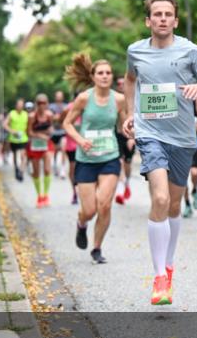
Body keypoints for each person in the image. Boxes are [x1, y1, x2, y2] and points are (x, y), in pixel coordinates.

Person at [122, 0, 197, 305]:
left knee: (175, 205)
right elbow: (128, 80)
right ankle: (159, 278)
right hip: (150, 134)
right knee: (161, 198)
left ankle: (168, 264)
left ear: (175, 21)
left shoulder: (190, 51)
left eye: (168, 14)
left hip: (182, 138)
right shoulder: (135, 51)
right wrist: (129, 113)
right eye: (157, 14)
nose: (162, 19)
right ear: (148, 20)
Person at [63, 53, 127, 264]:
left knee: (105, 205)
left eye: (108, 73)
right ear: (93, 76)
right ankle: (81, 224)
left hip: (109, 156)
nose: (105, 76)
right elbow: (67, 124)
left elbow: (125, 124)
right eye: (100, 73)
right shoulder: (84, 98)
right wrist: (80, 141)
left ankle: (97, 248)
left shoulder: (118, 99)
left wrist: (132, 134)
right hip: (86, 158)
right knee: (89, 210)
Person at [26, 95, 55, 206]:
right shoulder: (32, 116)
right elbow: (28, 132)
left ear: (47, 104)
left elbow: (51, 128)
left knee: (47, 169)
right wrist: (39, 135)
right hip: (35, 145)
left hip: (47, 145)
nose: (42, 105)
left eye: (44, 103)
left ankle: (46, 195)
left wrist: (50, 131)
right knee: (36, 172)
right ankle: (39, 196)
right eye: (39, 103)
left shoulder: (49, 115)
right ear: (36, 104)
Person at [113, 77, 136, 205]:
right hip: (117, 134)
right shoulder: (116, 99)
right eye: (119, 83)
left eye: (123, 83)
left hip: (130, 135)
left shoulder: (133, 98)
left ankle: (126, 182)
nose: (121, 85)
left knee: (127, 164)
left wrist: (132, 137)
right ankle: (120, 189)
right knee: (119, 161)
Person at [4, 99, 29, 181]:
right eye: (19, 104)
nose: (20, 106)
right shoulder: (12, 113)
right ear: (16, 105)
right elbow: (5, 125)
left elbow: (29, 125)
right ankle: (16, 168)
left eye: (22, 105)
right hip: (14, 139)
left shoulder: (26, 114)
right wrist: (12, 131)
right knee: (15, 155)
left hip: (24, 138)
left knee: (23, 155)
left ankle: (21, 172)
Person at [49, 91, 68, 179]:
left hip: (63, 131)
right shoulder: (51, 106)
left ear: (63, 97)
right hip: (54, 132)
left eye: (60, 96)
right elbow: (50, 118)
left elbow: (66, 117)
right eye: (57, 96)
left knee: (63, 148)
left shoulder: (66, 106)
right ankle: (55, 164)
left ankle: (62, 168)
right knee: (55, 150)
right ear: (55, 97)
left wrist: (58, 117)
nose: (59, 97)